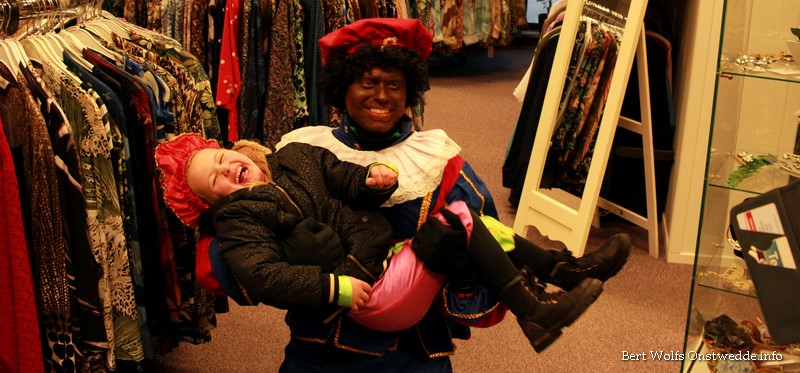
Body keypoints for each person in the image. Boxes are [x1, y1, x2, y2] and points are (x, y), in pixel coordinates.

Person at [274, 17, 632, 371]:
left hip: (412, 354)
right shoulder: (304, 153)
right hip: (318, 353)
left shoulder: (441, 163)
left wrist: (459, 272)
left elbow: (484, 283)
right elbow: (256, 261)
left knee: (466, 222)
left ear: (409, 92)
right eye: (368, 82)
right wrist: (293, 252)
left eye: (394, 84)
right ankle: (559, 271)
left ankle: (555, 276)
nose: (381, 95)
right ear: (342, 88)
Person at [154, 134, 605, 350]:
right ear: (211, 204)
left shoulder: (294, 157)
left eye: (220, 158)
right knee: (457, 220)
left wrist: (371, 180)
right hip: (370, 297)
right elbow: (264, 276)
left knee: (472, 222)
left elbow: (341, 176)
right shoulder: (238, 221)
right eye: (214, 181)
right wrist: (334, 288)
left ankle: (558, 273)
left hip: (385, 261)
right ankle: (537, 306)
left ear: (235, 149)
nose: (225, 170)